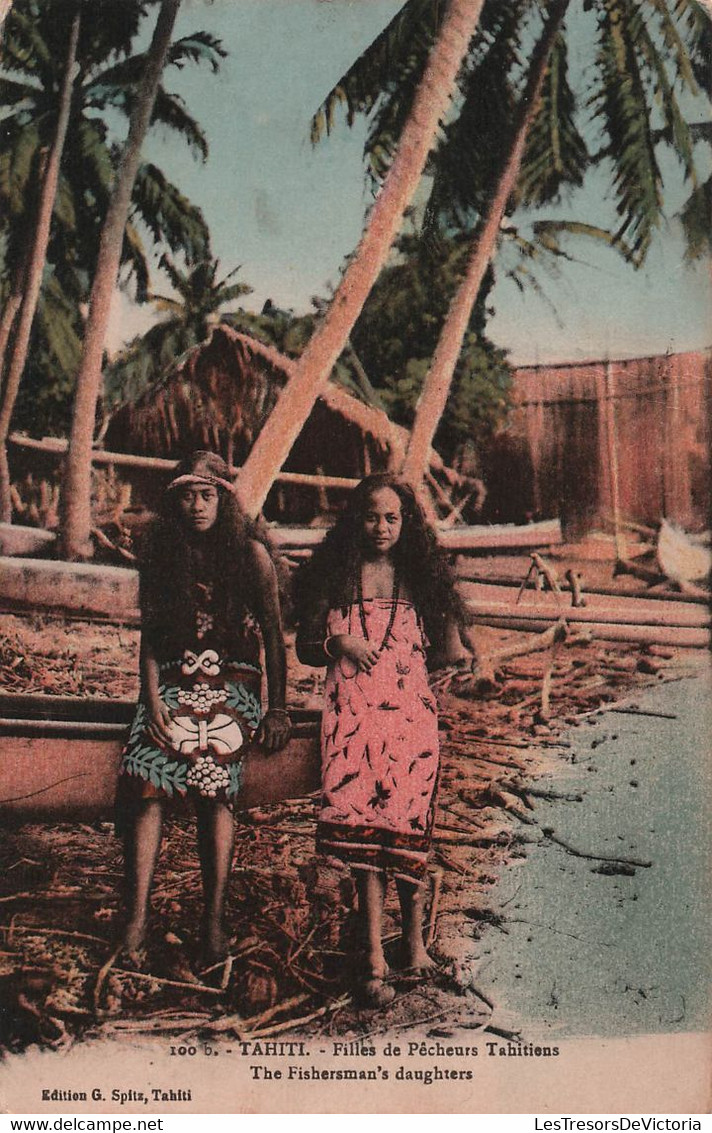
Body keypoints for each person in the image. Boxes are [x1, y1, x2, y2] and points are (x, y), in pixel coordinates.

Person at [295, 473, 470, 1006]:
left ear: (406, 522)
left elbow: (448, 651)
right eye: (371, 516)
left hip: (409, 724)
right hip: (352, 722)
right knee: (365, 831)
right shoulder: (334, 573)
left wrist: (446, 671)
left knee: (408, 829)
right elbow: (304, 646)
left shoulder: (419, 575)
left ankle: (414, 947)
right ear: (356, 518)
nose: (381, 527)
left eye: (392, 518)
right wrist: (339, 640)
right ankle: (372, 952)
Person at [117, 451, 291, 964]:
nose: (197, 506)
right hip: (171, 680)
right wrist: (150, 703)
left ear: (225, 501)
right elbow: (150, 639)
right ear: (175, 503)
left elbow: (277, 640)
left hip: (233, 683)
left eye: (208, 495)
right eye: (188, 496)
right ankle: (137, 919)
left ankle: (212, 922)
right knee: (146, 771)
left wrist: (277, 710)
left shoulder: (251, 557)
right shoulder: (162, 556)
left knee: (213, 775)